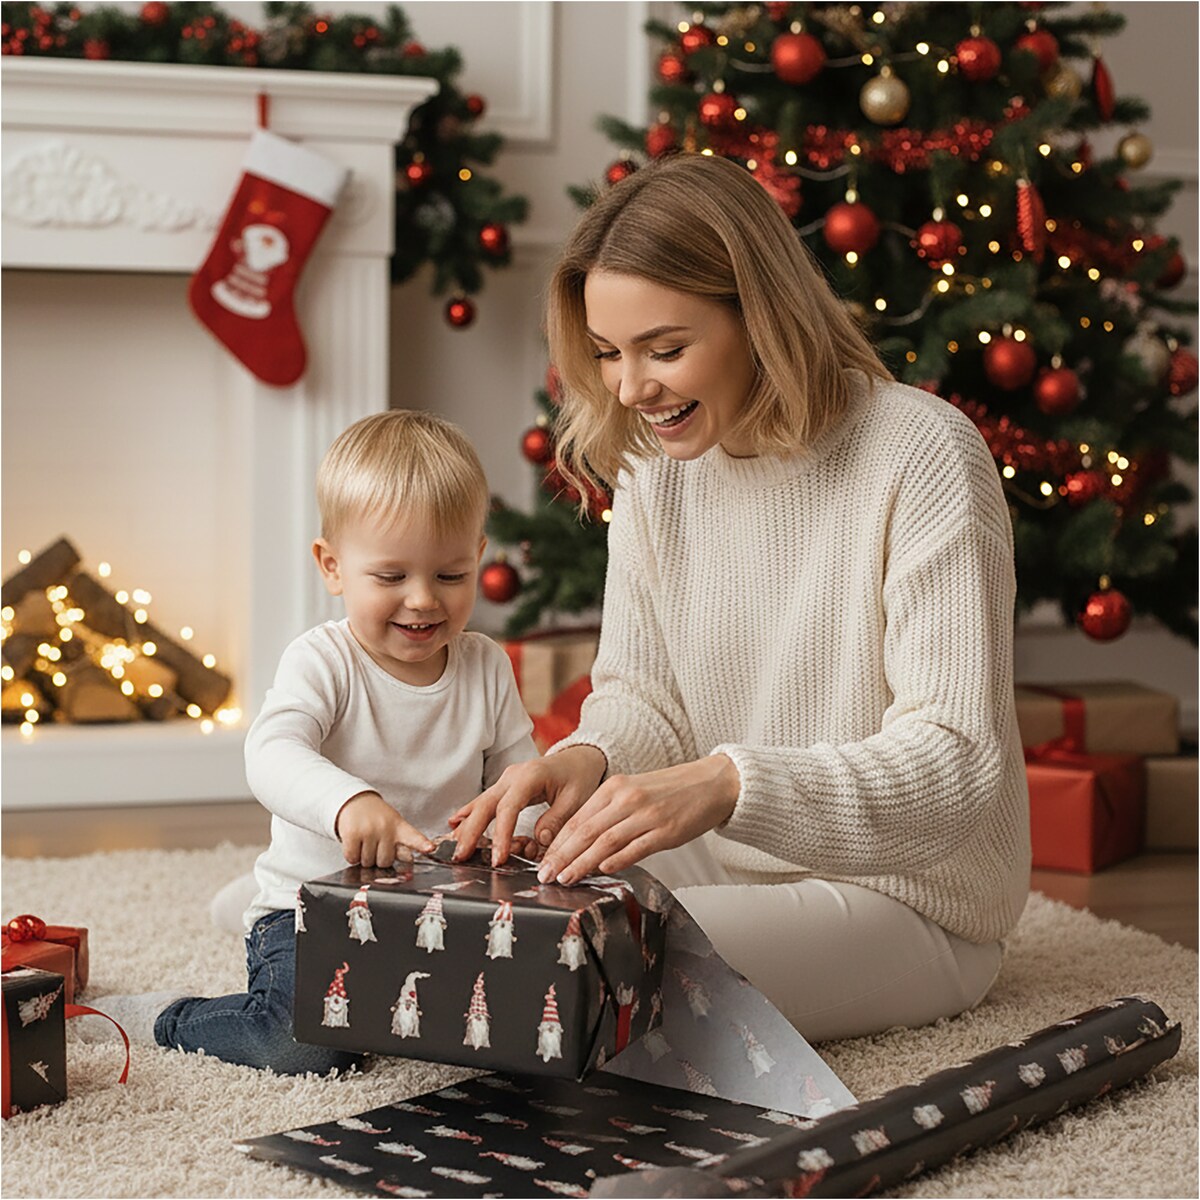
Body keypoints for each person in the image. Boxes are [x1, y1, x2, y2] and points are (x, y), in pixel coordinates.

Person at [451, 153, 1031, 1043]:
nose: (630, 389)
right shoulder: (656, 471)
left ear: (761, 316)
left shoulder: (922, 454)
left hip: (911, 900)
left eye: (666, 349)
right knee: (450, 917)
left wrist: (729, 784)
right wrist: (585, 761)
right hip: (731, 857)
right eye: (607, 354)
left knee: (565, 974)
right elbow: (646, 697)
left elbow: (954, 762)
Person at [80, 410, 542, 1073]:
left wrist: (523, 826)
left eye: (449, 575)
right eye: (390, 577)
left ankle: (243, 897)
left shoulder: (486, 666)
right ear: (333, 566)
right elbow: (271, 753)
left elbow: (516, 773)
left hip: (442, 914)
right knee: (309, 1047)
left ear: (478, 557)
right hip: (312, 906)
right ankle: (165, 1014)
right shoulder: (323, 661)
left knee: (515, 1024)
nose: (423, 600)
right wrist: (347, 804)